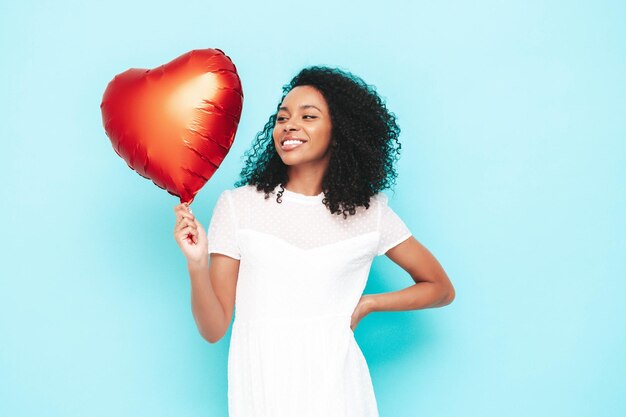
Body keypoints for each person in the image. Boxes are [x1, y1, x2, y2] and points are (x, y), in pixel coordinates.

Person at [173, 66, 455, 417]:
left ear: (339, 132)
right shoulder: (239, 206)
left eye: (309, 116)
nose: (289, 125)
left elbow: (441, 288)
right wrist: (197, 262)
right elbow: (214, 329)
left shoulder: (370, 214)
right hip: (263, 394)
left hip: (339, 393)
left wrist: (369, 304)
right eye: (282, 117)